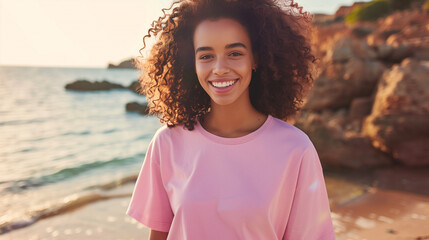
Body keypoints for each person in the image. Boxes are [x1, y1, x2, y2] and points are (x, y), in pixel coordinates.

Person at [127, 0, 335, 239]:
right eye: (206, 56)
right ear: (192, 65)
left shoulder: (296, 149)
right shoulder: (167, 143)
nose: (220, 68)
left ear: (255, 59)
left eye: (234, 53)